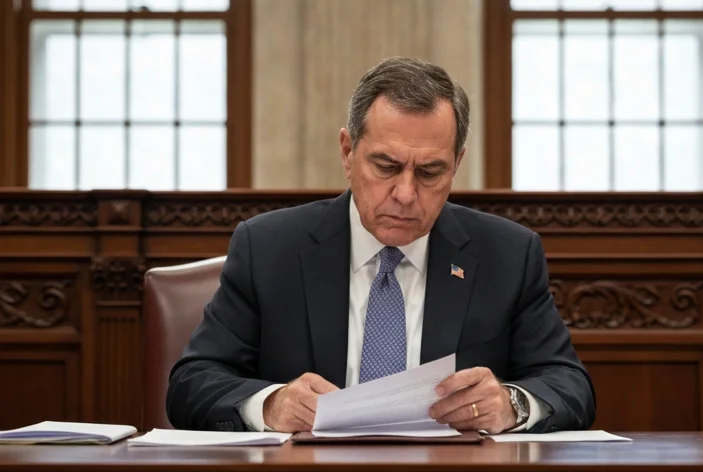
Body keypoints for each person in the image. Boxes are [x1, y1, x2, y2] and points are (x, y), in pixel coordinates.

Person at [166, 57, 595, 434]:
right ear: (348, 152)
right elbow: (192, 383)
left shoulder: (507, 254)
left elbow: (569, 385)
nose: (406, 194)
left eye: (429, 172)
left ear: (457, 165)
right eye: (386, 166)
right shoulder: (268, 248)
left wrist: (513, 404)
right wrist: (272, 404)